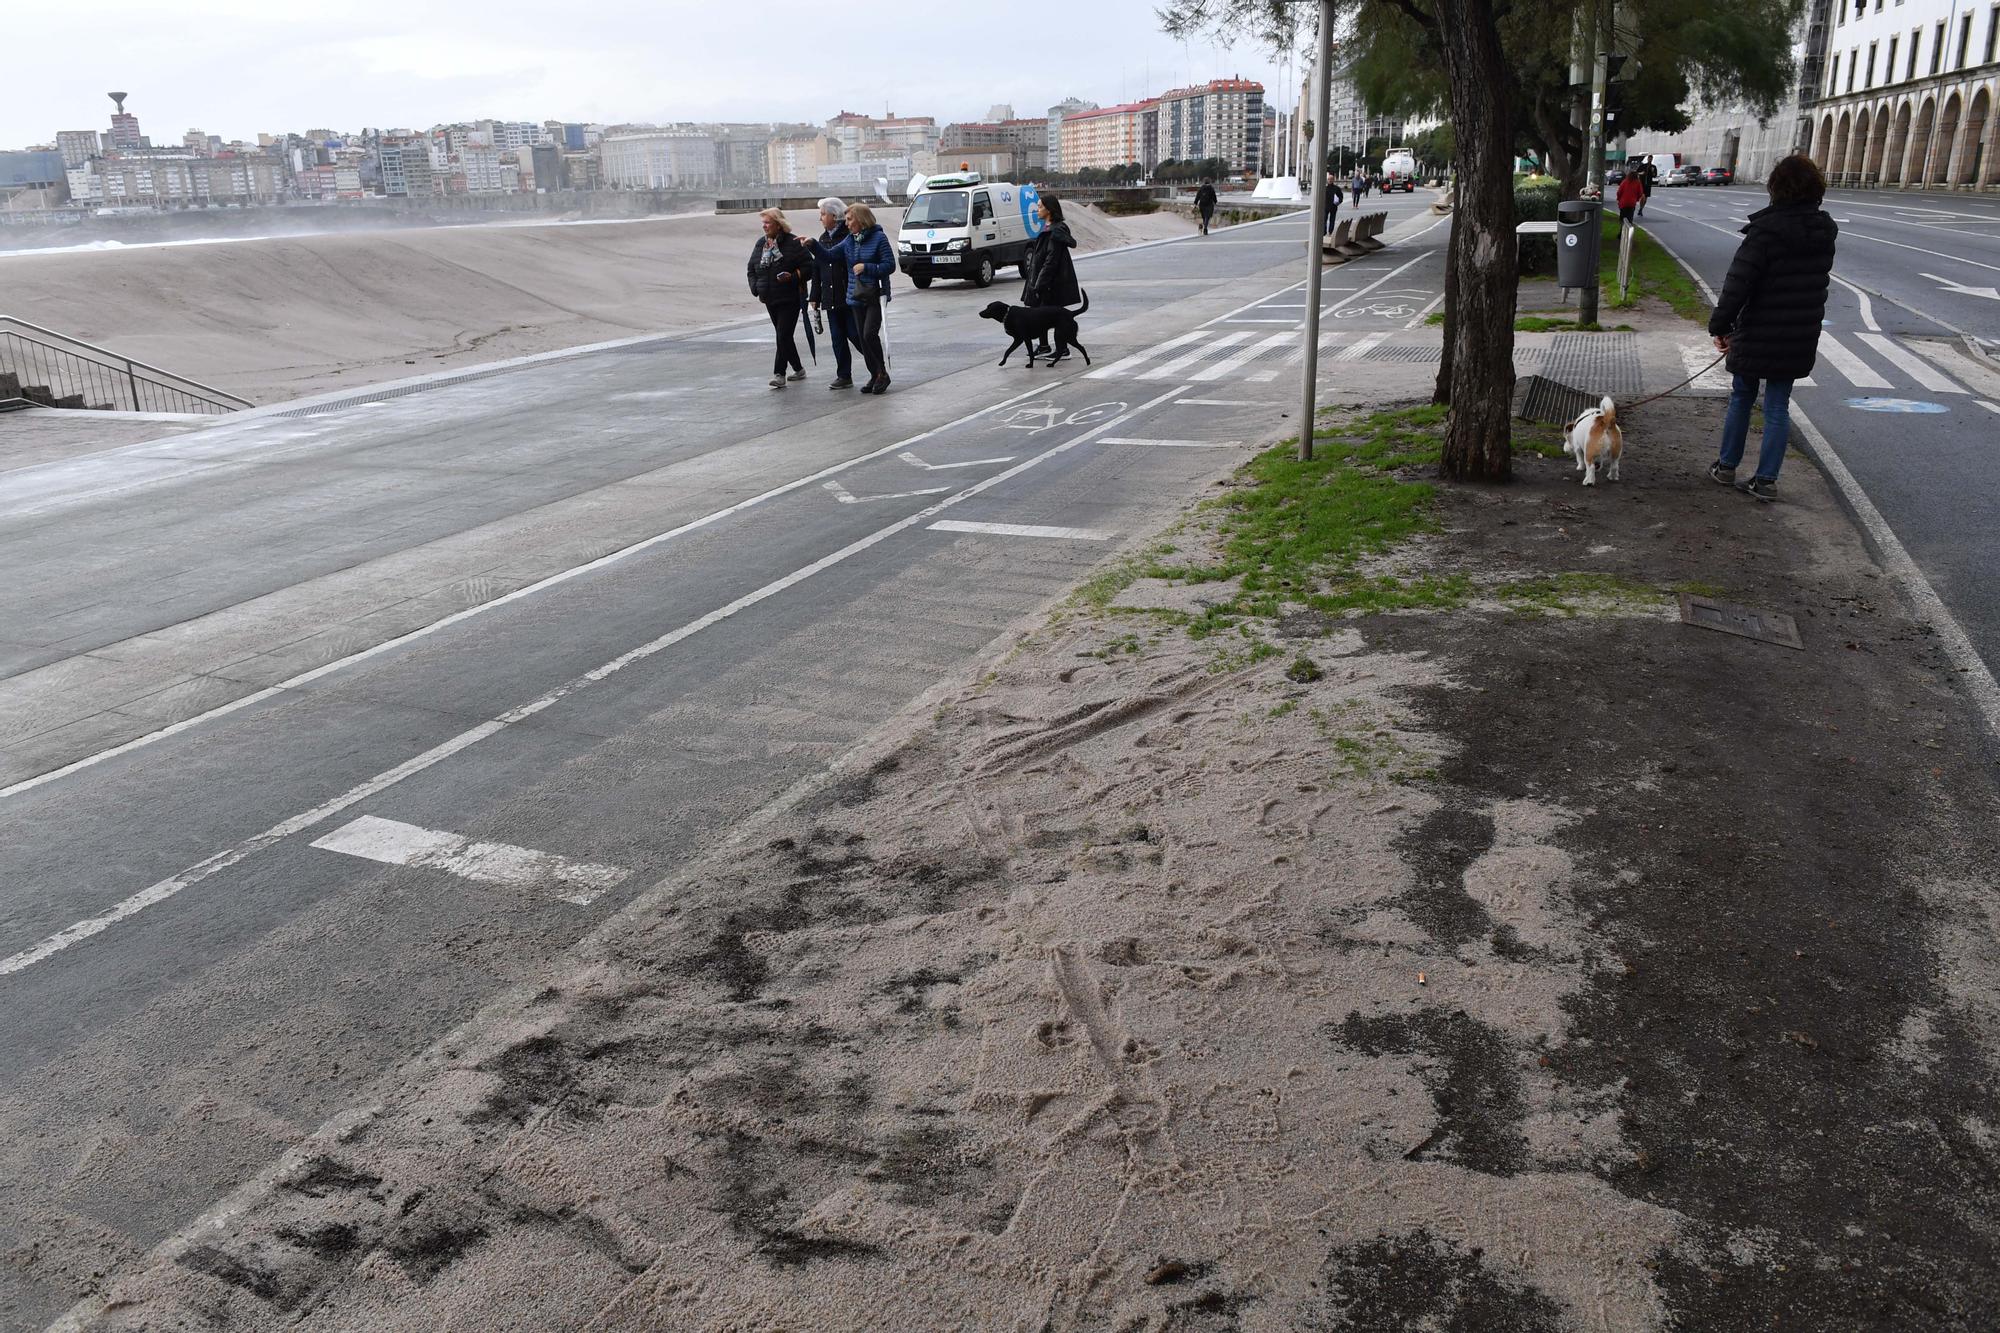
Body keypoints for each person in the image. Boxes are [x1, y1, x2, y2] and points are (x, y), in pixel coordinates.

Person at [1705, 154, 1837, 502]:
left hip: (1758, 331)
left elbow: (1739, 284)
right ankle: (1766, 481)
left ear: (1777, 189)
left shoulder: (1764, 233)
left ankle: (1727, 465)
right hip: (1799, 334)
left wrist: (1720, 325)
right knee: (1778, 406)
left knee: (1742, 397)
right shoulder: (1823, 232)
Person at [805, 202, 897, 394]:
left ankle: (882, 373)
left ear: (861, 220)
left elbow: (890, 265)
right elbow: (829, 256)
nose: (846, 223)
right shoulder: (850, 240)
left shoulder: (879, 238)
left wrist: (867, 267)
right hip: (855, 295)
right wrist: (813, 245)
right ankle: (875, 374)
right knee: (863, 340)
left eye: (849, 219)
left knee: (868, 334)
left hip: (874, 295)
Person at [746, 208, 809, 389]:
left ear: (779, 224)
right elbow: (751, 268)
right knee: (785, 337)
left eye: (768, 223)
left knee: (782, 335)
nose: (764, 227)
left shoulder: (793, 243)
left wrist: (792, 277)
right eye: (763, 223)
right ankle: (798, 368)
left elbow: (808, 267)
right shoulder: (761, 244)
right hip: (769, 298)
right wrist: (756, 288)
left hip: (790, 298)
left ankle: (779, 374)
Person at [1023, 193, 1079, 361]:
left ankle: (1062, 350)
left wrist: (1039, 283)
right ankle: (1044, 346)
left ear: (1050, 210)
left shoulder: (1055, 231)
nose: (1037, 210)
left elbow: (1051, 261)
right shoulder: (1049, 229)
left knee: (1051, 316)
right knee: (1040, 315)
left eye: (1040, 207)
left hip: (1050, 284)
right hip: (1044, 280)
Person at [810, 196, 857, 390]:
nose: (820, 218)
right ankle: (844, 375)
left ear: (834, 216)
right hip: (831, 297)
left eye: (823, 214)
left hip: (848, 296)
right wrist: (815, 296)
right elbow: (817, 269)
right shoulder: (822, 239)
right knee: (837, 339)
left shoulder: (848, 236)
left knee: (856, 335)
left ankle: (876, 368)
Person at [1322, 172, 1344, 238]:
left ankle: (1330, 231)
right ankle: (1324, 232)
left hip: (1333, 206)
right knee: (1324, 220)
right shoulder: (1324, 188)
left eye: (1331, 179)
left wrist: (1339, 201)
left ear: (1333, 180)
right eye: (1329, 179)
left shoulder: (1336, 188)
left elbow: (1341, 196)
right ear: (1327, 180)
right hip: (1325, 207)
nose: (1330, 180)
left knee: (1332, 220)